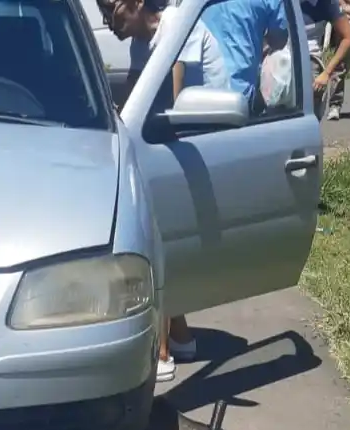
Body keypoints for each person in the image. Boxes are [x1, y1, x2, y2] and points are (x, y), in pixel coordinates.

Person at [99, 0, 227, 381]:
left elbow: (171, 101)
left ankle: (163, 351)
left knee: (158, 240)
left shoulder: (176, 25)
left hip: (205, 140)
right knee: (162, 236)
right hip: (181, 140)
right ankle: (182, 336)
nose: (109, 22)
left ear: (137, 3)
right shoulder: (141, 41)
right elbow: (135, 97)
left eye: (113, 10)